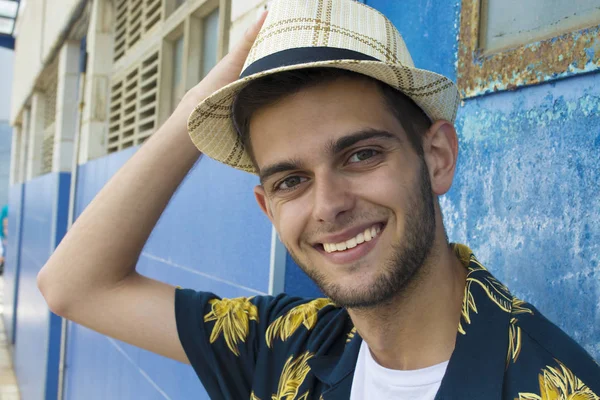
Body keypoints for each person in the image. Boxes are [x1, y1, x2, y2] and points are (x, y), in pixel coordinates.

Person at [38, 0, 600, 399]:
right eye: (290, 181)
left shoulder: (549, 385)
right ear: (268, 209)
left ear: (436, 158)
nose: (328, 205)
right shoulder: (289, 348)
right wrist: (208, 95)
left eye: (360, 155)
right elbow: (73, 286)